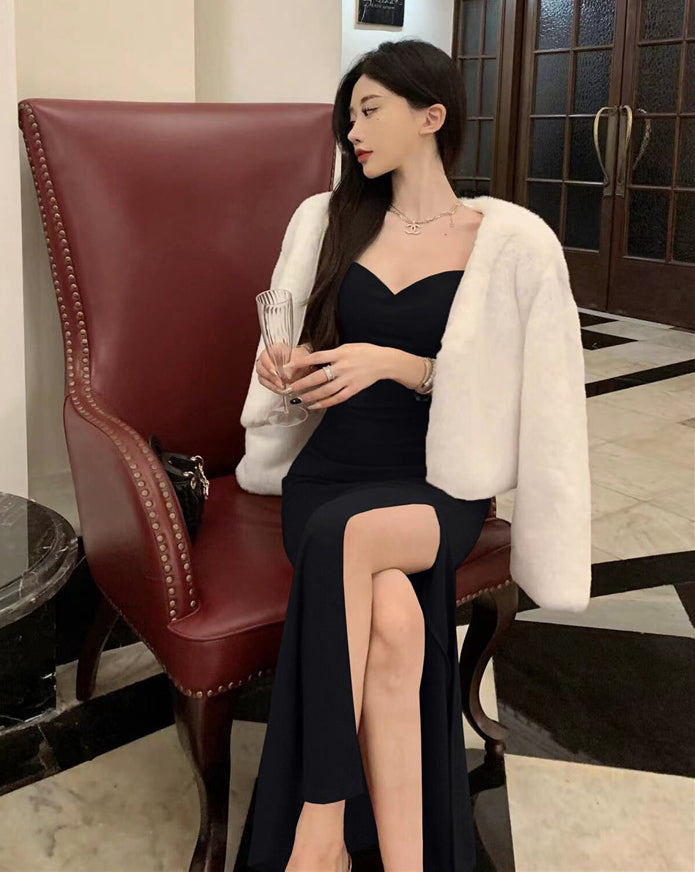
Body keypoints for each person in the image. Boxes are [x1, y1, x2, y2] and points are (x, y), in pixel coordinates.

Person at [240, 37, 591, 872]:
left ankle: (320, 827)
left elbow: (528, 394)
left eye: (368, 111)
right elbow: (303, 351)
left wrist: (403, 365)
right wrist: (290, 369)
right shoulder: (327, 220)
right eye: (347, 116)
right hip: (330, 470)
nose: (351, 132)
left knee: (347, 538)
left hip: (438, 483)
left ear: (431, 116)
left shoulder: (508, 242)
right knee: (395, 627)